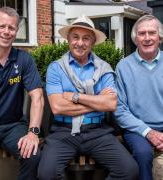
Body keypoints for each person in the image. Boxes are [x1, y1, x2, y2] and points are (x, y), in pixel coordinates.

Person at [38, 14, 138, 180]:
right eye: (75, 37)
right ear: (68, 39)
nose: (80, 43)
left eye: (86, 38)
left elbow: (111, 104)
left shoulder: (104, 68)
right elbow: (57, 107)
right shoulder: (55, 68)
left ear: (92, 42)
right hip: (63, 132)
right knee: (46, 174)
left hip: (98, 132)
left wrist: (74, 96)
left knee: (129, 170)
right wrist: (97, 101)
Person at [0, 7, 44, 180]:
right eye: (2, 26)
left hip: (13, 126)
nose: (6, 32)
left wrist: (33, 132)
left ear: (17, 31)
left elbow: (37, 97)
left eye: (11, 28)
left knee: (33, 156)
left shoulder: (24, 59)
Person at [114, 14, 163, 180]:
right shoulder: (123, 67)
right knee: (143, 154)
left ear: (160, 37)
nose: (147, 38)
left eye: (152, 33)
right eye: (142, 33)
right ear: (136, 39)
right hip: (137, 129)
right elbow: (120, 109)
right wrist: (148, 132)